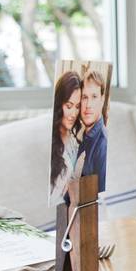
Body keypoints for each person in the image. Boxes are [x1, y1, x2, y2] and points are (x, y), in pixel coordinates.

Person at [49, 71, 84, 206]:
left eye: (77, 107)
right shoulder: (51, 141)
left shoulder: (74, 141)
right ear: (59, 104)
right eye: (69, 106)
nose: (73, 113)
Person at [79, 67, 109, 194]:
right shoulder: (83, 136)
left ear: (102, 100)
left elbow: (100, 197)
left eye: (94, 96)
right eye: (84, 97)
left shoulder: (102, 143)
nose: (88, 105)